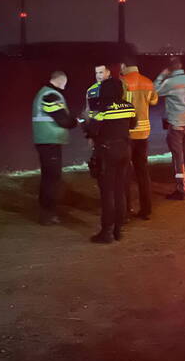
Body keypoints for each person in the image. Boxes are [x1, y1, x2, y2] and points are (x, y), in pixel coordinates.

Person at [83, 78, 136, 243]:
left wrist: (84, 123)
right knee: (120, 190)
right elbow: (132, 125)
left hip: (107, 152)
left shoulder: (101, 108)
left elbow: (92, 130)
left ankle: (106, 232)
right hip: (124, 151)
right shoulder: (129, 106)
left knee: (107, 193)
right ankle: (118, 230)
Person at [32, 71, 79, 225]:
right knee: (52, 179)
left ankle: (46, 213)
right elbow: (63, 120)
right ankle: (48, 214)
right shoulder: (51, 95)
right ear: (60, 81)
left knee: (48, 177)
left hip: (45, 140)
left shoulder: (43, 92)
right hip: (50, 141)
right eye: (65, 83)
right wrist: (76, 122)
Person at [154, 57, 185, 200]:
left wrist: (162, 75)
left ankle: (181, 190)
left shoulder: (170, 82)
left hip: (176, 125)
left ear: (170, 69)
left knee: (178, 158)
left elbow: (153, 91)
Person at [121, 59, 158, 219]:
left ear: (124, 67)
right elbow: (154, 101)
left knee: (125, 173)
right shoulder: (148, 82)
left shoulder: (122, 82)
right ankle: (146, 209)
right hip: (144, 132)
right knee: (142, 172)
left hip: (127, 132)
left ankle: (126, 209)